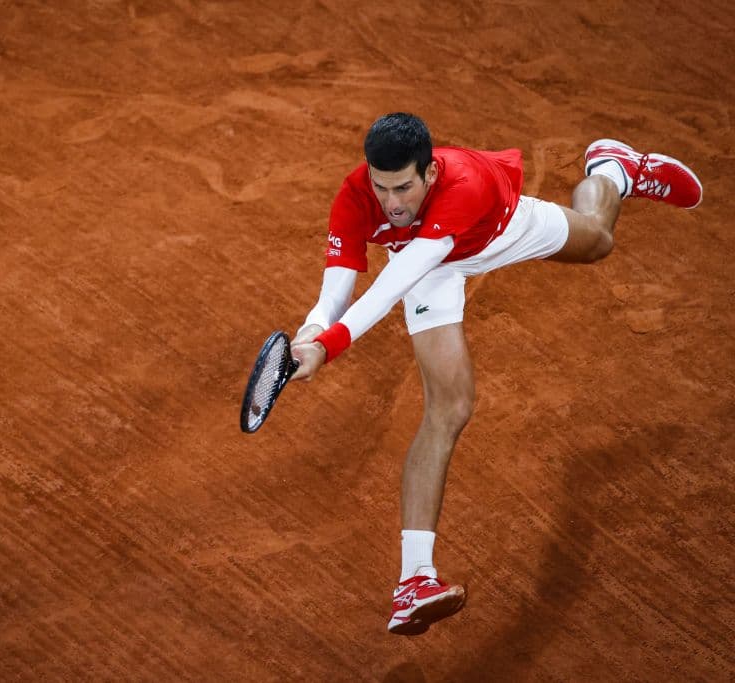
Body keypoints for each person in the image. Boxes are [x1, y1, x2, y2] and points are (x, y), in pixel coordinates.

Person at [288, 113, 703, 635]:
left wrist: (331, 345)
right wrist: (313, 326)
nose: (390, 202)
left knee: (598, 239)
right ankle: (414, 578)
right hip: (430, 266)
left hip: (495, 230)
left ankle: (613, 170)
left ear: (430, 174)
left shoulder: (463, 183)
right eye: (380, 186)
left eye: (403, 187)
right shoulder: (355, 196)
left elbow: (397, 279)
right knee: (450, 408)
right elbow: (337, 288)